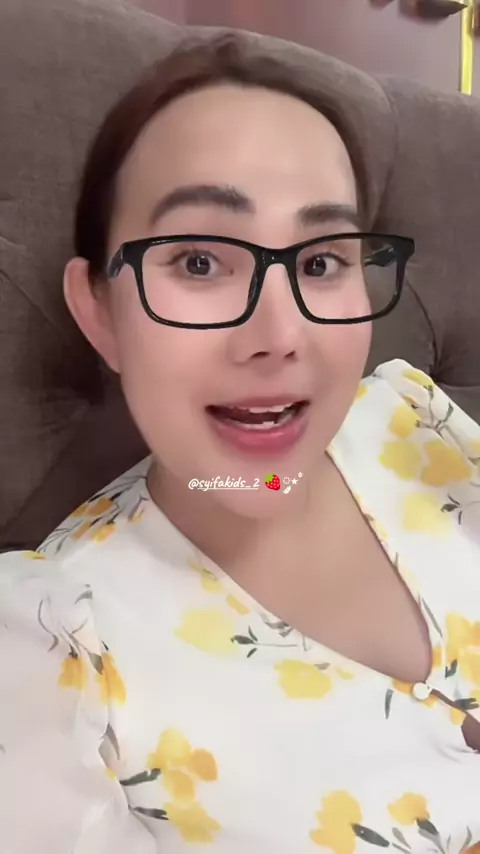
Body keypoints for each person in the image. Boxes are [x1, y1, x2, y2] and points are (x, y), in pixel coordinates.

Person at [1, 32, 479, 854]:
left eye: (321, 261)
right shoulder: (49, 645)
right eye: (198, 261)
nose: (281, 335)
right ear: (99, 314)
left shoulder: (407, 417)